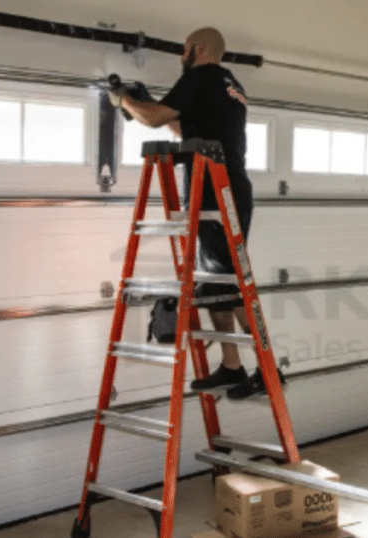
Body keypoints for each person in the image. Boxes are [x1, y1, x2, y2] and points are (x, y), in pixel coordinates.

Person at [110, 27, 270, 399]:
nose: (181, 56)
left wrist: (124, 102)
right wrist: (149, 101)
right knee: (217, 283)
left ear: (197, 50)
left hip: (217, 190)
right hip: (224, 187)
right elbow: (183, 127)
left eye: (184, 50)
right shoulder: (229, 83)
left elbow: (151, 120)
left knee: (228, 280)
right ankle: (232, 365)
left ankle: (267, 367)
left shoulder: (199, 75)